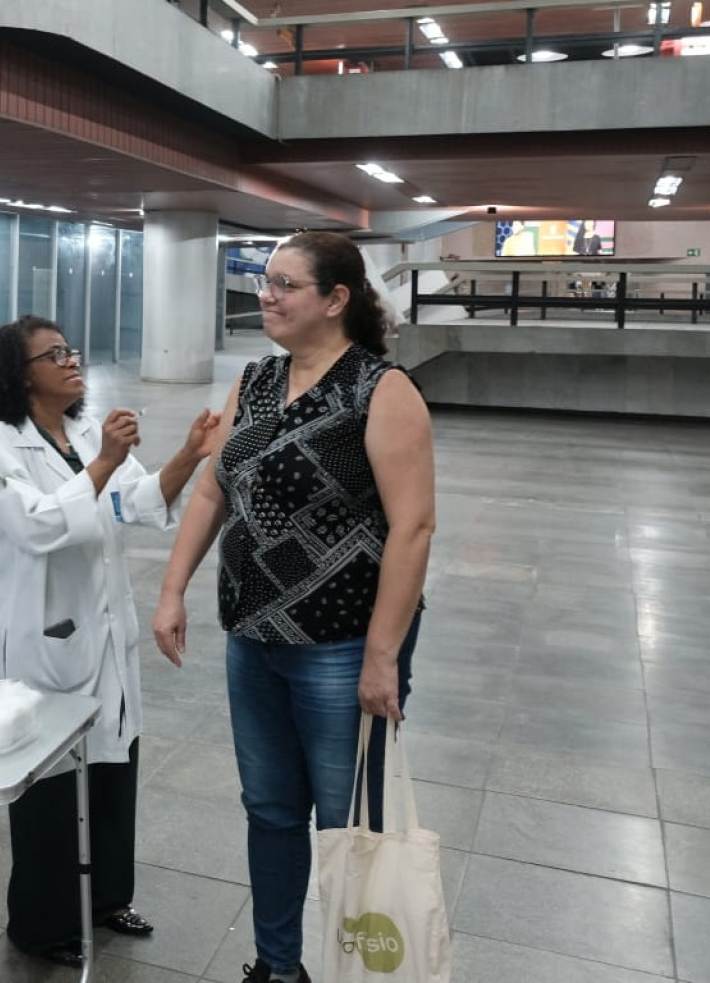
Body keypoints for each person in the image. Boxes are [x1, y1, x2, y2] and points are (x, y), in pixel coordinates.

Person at [150, 232, 435, 983]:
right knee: (271, 811)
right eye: (263, 281)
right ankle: (278, 968)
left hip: (340, 647)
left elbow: (414, 525)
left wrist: (381, 656)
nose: (265, 296)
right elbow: (213, 487)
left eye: (284, 285)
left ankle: (359, 970)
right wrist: (173, 588)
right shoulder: (255, 381)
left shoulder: (381, 389)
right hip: (253, 637)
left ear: (335, 300)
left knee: (350, 824)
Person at [0, 316, 218, 968]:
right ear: (21, 375)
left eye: (71, 350)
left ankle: (108, 898)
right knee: (48, 784)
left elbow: (135, 501)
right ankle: (39, 923)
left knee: (113, 764)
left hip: (104, 629)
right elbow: (38, 528)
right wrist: (104, 463)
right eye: (54, 355)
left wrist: (190, 453)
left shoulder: (82, 429)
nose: (70, 362)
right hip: (40, 637)